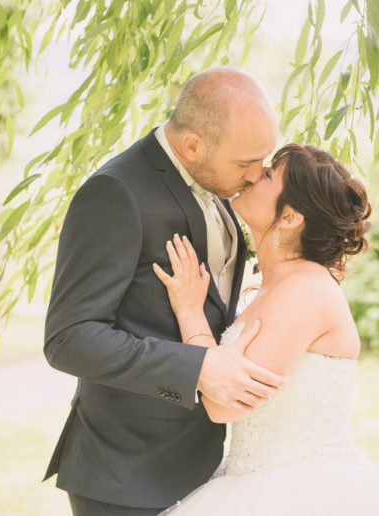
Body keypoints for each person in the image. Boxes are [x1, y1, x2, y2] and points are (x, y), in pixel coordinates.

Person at [42, 67, 286, 516]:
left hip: (205, 468)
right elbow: (69, 338)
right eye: (245, 162)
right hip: (127, 477)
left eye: (264, 159)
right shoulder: (115, 193)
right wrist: (197, 368)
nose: (258, 176)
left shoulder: (220, 183)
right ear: (192, 144)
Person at [154, 143, 379, 515]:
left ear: (289, 217)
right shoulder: (269, 287)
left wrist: (190, 311)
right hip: (250, 477)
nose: (255, 172)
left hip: (299, 494)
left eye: (270, 174)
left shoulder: (305, 291)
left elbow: (222, 403)